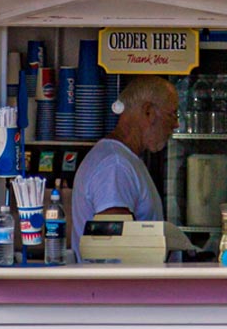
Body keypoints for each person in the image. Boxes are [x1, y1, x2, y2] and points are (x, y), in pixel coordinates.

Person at [69, 75, 179, 253]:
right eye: (172, 114)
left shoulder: (123, 159)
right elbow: (112, 247)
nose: (176, 124)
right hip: (117, 282)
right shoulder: (115, 165)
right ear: (148, 112)